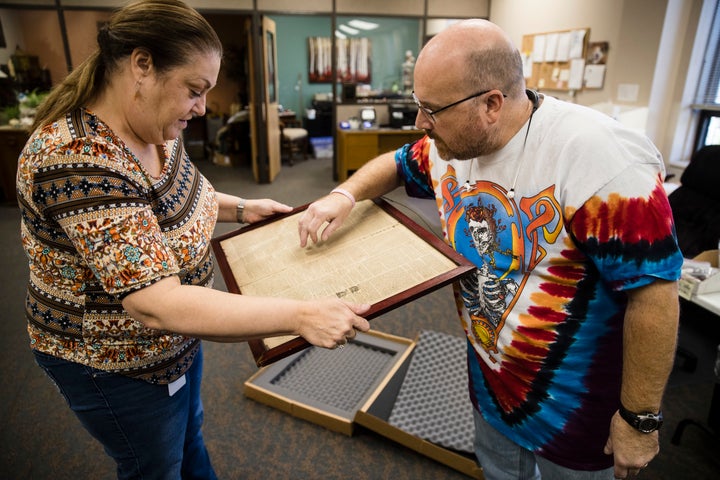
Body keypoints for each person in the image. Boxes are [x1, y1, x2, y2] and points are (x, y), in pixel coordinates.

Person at [298, 19, 683, 480]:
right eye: (419, 106)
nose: (420, 123)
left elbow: (655, 295)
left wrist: (639, 419)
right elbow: (397, 164)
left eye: (432, 110)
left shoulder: (602, 160)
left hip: (577, 409)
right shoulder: (449, 143)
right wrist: (344, 194)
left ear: (491, 104)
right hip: (489, 382)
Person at [17, 1, 369, 478]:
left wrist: (241, 208)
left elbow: (177, 198)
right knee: (155, 464)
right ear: (142, 66)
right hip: (115, 361)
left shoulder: (156, 123)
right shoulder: (77, 159)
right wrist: (301, 315)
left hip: (179, 339)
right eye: (194, 90)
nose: (202, 107)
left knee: (189, 435)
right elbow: (155, 304)